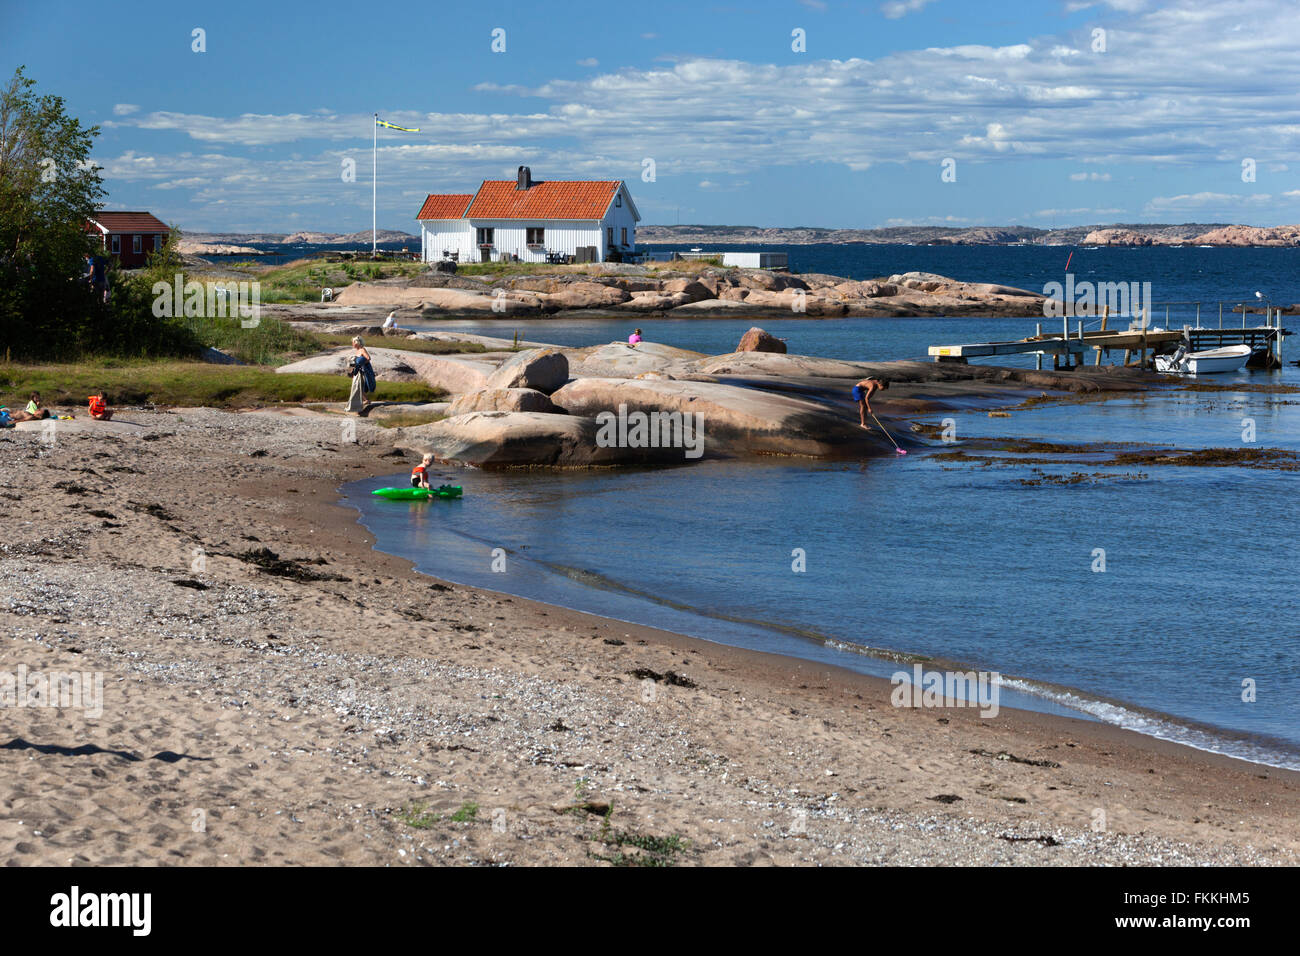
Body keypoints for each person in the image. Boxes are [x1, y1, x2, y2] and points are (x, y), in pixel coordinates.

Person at [345, 336, 374, 415]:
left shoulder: (362, 349)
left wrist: (360, 365)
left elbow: (368, 358)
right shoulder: (358, 351)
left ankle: (363, 403)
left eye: (353, 342)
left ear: (357, 343)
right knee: (356, 387)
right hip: (357, 371)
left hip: (361, 372)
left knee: (357, 387)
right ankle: (365, 400)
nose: (352, 344)